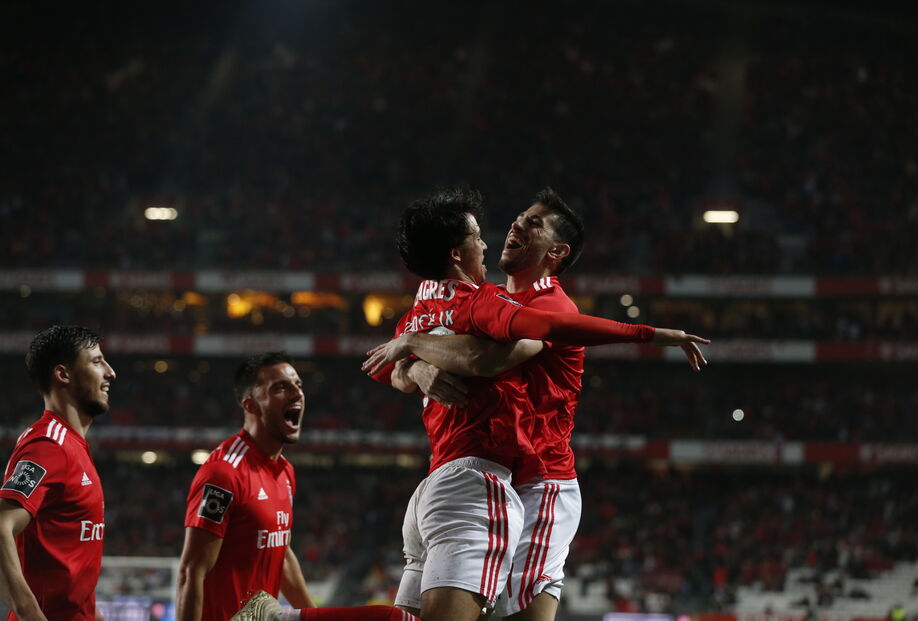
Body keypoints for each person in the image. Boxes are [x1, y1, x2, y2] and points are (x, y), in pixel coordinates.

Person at [363, 187, 707, 621]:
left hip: (541, 480)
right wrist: (416, 368)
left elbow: (484, 360)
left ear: (556, 251)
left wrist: (415, 347)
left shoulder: (546, 302)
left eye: (534, 223)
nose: (516, 224)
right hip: (493, 475)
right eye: (520, 216)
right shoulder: (484, 299)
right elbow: (396, 369)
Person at [178, 352, 416, 621]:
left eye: (298, 385)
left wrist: (312, 615)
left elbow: (281, 553)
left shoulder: (285, 471)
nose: (297, 394)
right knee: (393, 619)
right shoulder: (223, 474)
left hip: (265, 616)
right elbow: (191, 571)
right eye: (280, 387)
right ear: (251, 405)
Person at [0, 325, 117, 621]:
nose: (110, 372)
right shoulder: (48, 444)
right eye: (96, 361)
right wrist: (30, 615)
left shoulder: (73, 445)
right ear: (63, 374)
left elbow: (72, 591)